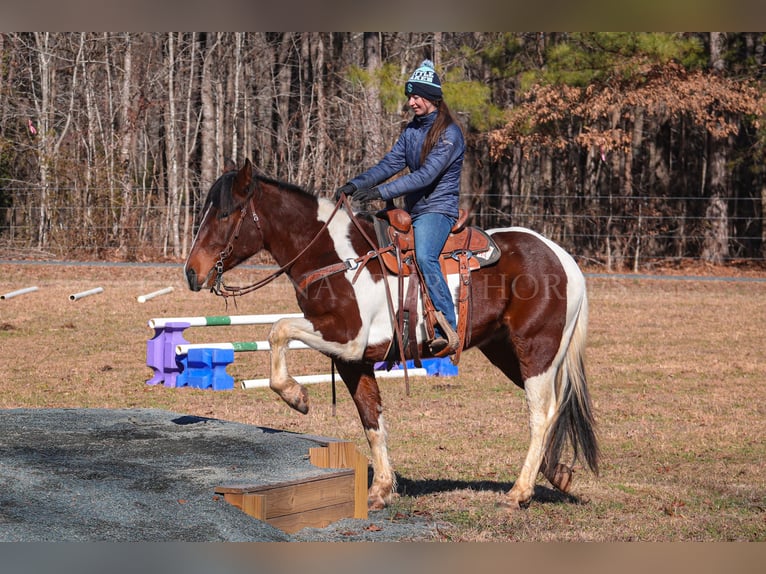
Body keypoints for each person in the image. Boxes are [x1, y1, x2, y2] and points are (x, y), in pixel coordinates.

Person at [335, 59, 464, 356]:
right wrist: (356, 184)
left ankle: (447, 326)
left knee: (425, 255)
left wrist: (379, 192)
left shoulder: (450, 133)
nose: (411, 102)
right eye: (410, 96)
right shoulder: (412, 131)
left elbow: (426, 175)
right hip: (413, 210)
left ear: (431, 98)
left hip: (438, 209)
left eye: (416, 96)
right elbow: (390, 164)